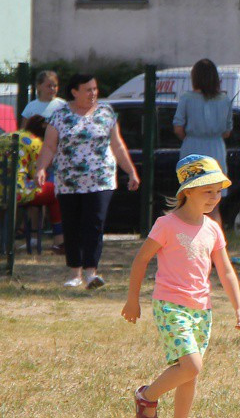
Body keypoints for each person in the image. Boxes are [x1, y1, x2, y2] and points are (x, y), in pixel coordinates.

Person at [122, 155, 240, 418]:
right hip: (170, 306)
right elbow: (141, 259)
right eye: (207, 191)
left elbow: (226, 270)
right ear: (187, 191)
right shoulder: (166, 224)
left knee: (188, 371)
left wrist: (239, 306)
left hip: (201, 310)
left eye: (217, 191)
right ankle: (147, 397)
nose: (214, 198)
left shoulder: (213, 229)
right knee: (192, 365)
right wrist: (132, 299)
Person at [35, 73, 140, 288]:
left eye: (95, 89)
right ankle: (75, 273)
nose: (93, 93)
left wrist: (131, 172)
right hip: (69, 180)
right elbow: (49, 147)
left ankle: (92, 272)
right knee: (72, 225)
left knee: (94, 223)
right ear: (75, 92)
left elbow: (118, 146)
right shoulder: (60, 115)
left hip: (100, 179)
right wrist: (41, 169)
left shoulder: (106, 112)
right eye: (88, 89)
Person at [173, 59, 233, 226]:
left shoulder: (186, 98)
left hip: (192, 148)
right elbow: (227, 131)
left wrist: (190, 136)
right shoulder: (224, 100)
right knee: (214, 204)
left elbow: (178, 127)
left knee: (189, 200)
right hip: (216, 149)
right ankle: (216, 247)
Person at [6, 115, 65, 252]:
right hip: (16, 191)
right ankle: (59, 240)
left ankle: (6, 241)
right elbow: (37, 176)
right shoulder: (35, 143)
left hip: (2, 190)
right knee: (55, 191)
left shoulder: (8, 136)